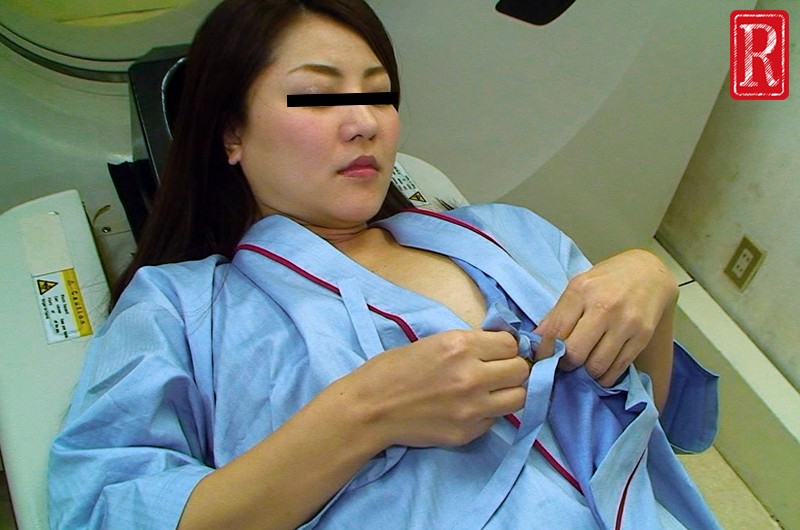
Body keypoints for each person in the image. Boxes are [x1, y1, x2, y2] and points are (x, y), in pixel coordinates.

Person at [48, 1, 720, 529]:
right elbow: (106, 510)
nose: (365, 122)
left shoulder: (508, 233)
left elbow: (643, 440)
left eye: (379, 94)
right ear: (231, 132)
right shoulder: (179, 307)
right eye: (317, 96)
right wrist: (364, 413)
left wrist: (652, 286)